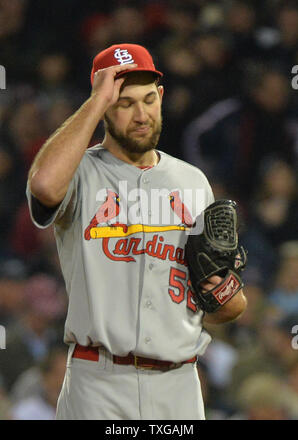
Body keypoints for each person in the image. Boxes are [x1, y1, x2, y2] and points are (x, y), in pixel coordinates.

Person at [26, 43, 247, 420]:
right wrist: (96, 102)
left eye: (148, 100)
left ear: (161, 97)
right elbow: (44, 186)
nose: (141, 115)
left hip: (177, 383)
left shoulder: (192, 182)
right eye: (125, 103)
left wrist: (226, 293)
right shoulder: (79, 173)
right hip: (98, 382)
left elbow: (225, 305)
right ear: (103, 105)